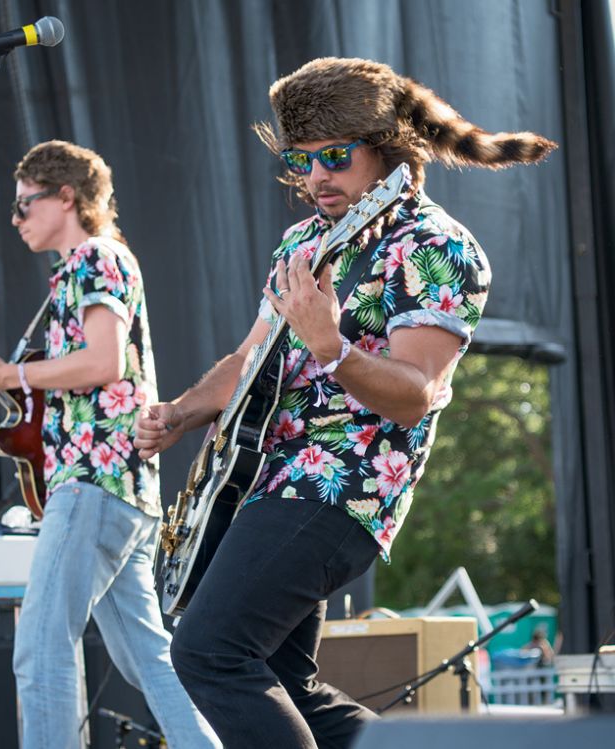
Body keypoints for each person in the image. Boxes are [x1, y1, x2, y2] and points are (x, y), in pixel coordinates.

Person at [135, 57, 557, 748]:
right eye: (303, 161)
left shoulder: (439, 247)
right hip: (268, 481)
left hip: (342, 488)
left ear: (388, 148)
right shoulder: (304, 242)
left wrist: (332, 346)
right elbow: (250, 359)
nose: (316, 178)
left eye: (335, 156)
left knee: (207, 650)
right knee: (284, 679)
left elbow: (415, 395)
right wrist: (181, 412)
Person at [0, 140, 219, 749]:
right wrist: (8, 377)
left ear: (66, 196)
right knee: (149, 663)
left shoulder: (95, 258)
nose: (16, 219)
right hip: (123, 489)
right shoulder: (96, 265)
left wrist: (9, 376)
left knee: (42, 644)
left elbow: (102, 362)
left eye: (25, 204)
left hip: (94, 482)